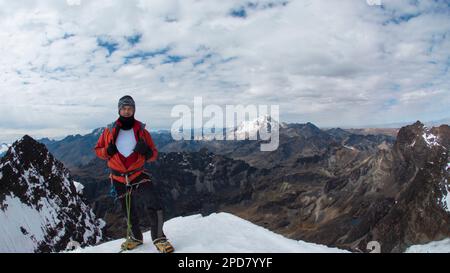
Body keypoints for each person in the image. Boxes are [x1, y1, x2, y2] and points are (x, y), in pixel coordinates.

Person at [94, 95, 174, 253]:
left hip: (138, 174)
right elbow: (98, 151)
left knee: (154, 202)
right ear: (119, 110)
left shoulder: (142, 131)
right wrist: (106, 151)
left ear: (134, 110)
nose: (126, 111)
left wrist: (146, 151)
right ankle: (136, 237)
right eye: (123, 108)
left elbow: (154, 154)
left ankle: (159, 238)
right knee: (127, 209)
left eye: (130, 108)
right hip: (118, 177)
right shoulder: (109, 130)